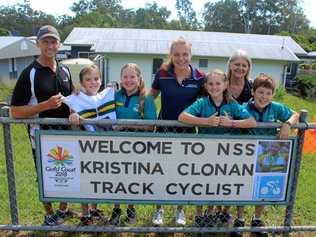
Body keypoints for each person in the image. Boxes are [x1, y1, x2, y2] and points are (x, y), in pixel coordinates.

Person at [10, 25, 74, 226]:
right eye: (45, 41)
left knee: (67, 172)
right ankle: (49, 214)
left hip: (65, 133)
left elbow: (71, 99)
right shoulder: (30, 73)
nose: (50, 45)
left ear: (59, 44)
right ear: (38, 44)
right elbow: (15, 111)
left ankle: (63, 210)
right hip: (41, 136)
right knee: (45, 175)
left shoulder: (65, 69)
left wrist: (75, 110)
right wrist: (45, 105)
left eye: (53, 41)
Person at [178, 69, 256, 227]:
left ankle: (215, 212)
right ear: (206, 86)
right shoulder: (202, 102)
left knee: (222, 182)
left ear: (225, 84)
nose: (214, 87)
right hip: (205, 152)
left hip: (227, 154)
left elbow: (252, 122)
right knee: (202, 182)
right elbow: (182, 117)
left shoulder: (232, 104)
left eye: (218, 83)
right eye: (211, 84)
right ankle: (200, 214)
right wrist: (206, 121)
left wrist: (232, 123)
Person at [230, 74, 299, 237]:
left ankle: (257, 219)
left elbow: (296, 114)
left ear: (272, 95)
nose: (264, 97)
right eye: (260, 92)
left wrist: (287, 124)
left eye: (268, 93)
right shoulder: (244, 108)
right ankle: (240, 219)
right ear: (253, 92)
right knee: (243, 185)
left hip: (268, 154)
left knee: (264, 185)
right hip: (245, 153)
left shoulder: (275, 107)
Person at [150, 37, 205, 226]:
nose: (181, 58)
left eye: (185, 54)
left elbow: (211, 99)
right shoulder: (163, 73)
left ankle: (180, 210)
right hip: (163, 131)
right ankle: (159, 209)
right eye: (176, 55)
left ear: (190, 55)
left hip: (188, 133)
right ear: (171, 56)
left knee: (183, 173)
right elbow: (150, 98)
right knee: (160, 172)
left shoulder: (199, 77)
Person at [63, 64, 116, 226]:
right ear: (81, 83)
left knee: (99, 178)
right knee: (86, 179)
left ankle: (94, 209)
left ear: (101, 80)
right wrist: (72, 115)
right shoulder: (76, 98)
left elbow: (126, 84)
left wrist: (114, 86)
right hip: (86, 146)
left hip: (107, 146)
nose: (93, 82)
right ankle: (85, 213)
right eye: (88, 80)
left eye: (96, 78)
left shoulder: (107, 94)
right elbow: (70, 110)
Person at [108, 63, 157, 226]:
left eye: (132, 77)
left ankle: (130, 208)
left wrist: (126, 124)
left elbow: (151, 125)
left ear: (139, 78)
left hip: (137, 146)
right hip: (116, 144)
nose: (128, 80)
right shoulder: (115, 95)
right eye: (125, 77)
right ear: (120, 79)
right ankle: (116, 208)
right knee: (116, 176)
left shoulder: (147, 98)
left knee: (131, 177)